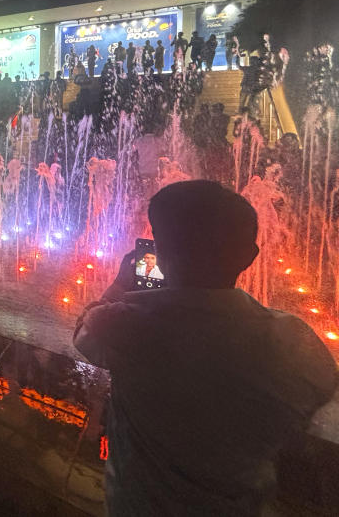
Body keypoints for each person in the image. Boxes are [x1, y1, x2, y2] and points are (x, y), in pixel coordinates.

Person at [73, 181, 337, 516]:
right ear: (250, 256)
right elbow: (321, 389)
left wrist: (123, 282)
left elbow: (84, 331)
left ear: (159, 251)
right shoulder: (291, 339)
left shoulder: (128, 324)